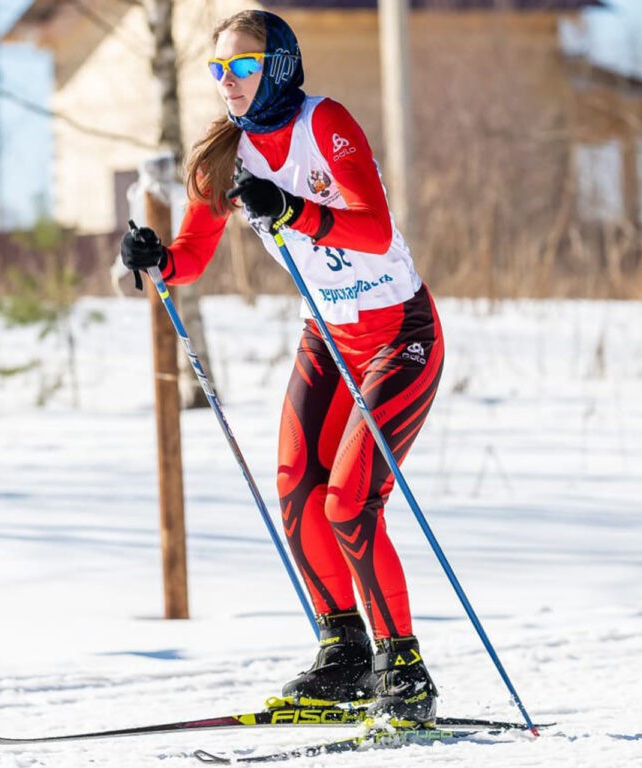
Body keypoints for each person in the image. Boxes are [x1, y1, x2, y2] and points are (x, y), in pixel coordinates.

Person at [120, 10, 445, 727]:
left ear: (281, 65)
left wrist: (292, 209)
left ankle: (405, 668)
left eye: (242, 66)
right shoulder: (224, 157)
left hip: (398, 334)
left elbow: (374, 227)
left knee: (351, 501)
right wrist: (157, 260)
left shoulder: (324, 122)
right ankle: (345, 657)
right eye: (218, 70)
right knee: (300, 491)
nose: (228, 82)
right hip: (329, 335)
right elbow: (192, 256)